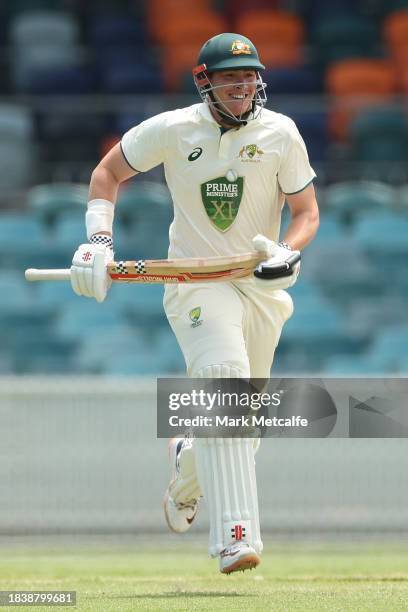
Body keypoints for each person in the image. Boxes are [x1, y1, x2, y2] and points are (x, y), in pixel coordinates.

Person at [70, 33, 319, 574]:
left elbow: (306, 213)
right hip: (194, 281)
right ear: (204, 80)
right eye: (230, 78)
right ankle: (236, 537)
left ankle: (188, 464)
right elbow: (107, 173)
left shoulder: (281, 132)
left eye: (249, 76)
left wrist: (285, 250)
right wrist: (99, 242)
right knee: (225, 383)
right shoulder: (174, 128)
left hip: (258, 286)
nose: (242, 86)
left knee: (243, 426)